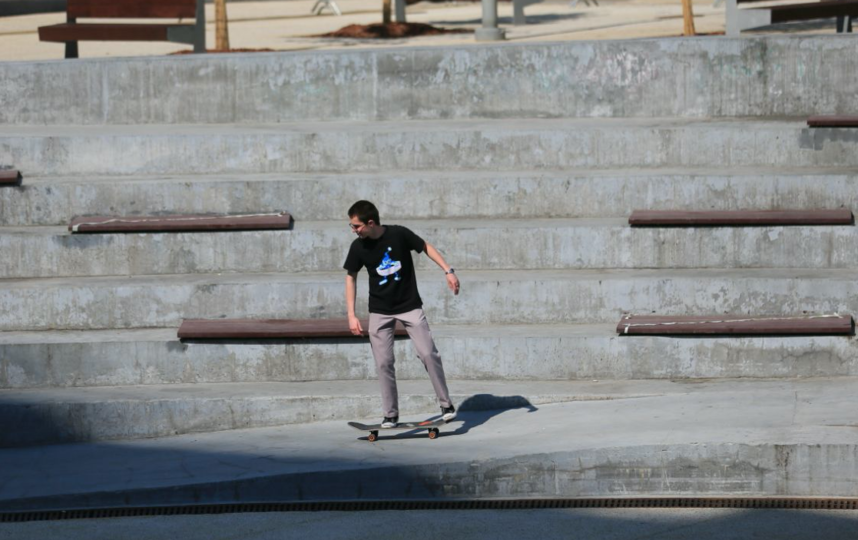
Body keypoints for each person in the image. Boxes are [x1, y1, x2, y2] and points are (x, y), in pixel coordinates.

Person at [343, 200, 460, 428]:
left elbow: (425, 246)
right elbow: (351, 277)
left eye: (356, 226)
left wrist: (448, 270)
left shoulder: (399, 235)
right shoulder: (358, 247)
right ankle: (390, 414)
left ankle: (446, 405)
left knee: (428, 353)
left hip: (409, 305)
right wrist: (351, 314)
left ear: (370, 223)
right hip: (379, 310)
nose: (354, 231)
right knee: (384, 362)